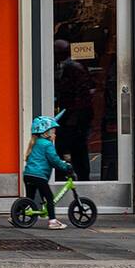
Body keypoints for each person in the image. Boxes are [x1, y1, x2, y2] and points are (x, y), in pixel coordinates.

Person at [53, 39, 95, 180]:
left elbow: (81, 95)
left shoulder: (72, 68)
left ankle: (79, 177)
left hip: (75, 115)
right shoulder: (66, 67)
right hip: (71, 114)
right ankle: (70, 176)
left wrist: (74, 117)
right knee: (72, 147)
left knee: (75, 147)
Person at [23, 114, 73, 230]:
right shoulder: (47, 145)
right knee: (49, 198)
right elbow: (54, 160)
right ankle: (53, 221)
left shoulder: (35, 143)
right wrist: (66, 167)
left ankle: (17, 214)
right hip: (39, 176)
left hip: (28, 175)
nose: (55, 134)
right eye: (53, 131)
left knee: (29, 198)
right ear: (47, 133)